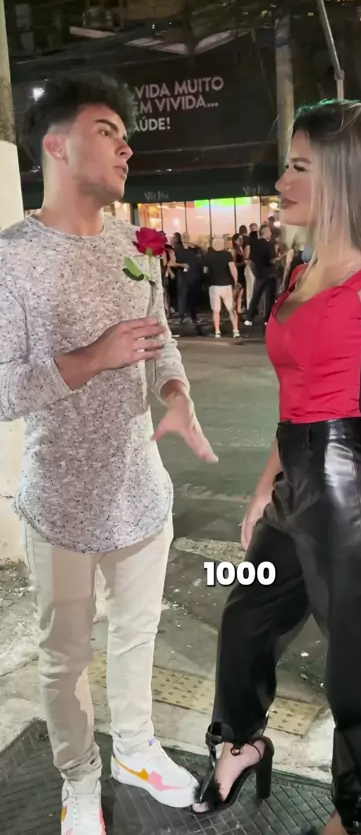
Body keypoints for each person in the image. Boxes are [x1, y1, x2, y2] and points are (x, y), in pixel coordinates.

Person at [192, 100, 361, 835]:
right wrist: (262, 492)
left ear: (343, 176)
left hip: (348, 498)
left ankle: (358, 812)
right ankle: (241, 743)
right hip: (293, 485)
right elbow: (296, 399)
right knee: (244, 620)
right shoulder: (301, 271)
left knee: (355, 669)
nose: (281, 181)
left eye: (299, 167)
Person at [1, 72, 218, 835]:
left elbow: (161, 346)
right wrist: (90, 358)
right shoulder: (12, 259)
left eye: (126, 136)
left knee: (137, 634)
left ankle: (134, 749)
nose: (126, 147)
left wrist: (176, 394)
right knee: (64, 657)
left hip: (142, 492)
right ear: (56, 146)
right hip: (60, 503)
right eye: (107, 132)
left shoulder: (137, 246)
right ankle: (79, 781)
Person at [204, 236, 240, 338]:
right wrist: (236, 282)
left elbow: (205, 271)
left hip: (213, 286)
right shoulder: (227, 255)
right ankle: (235, 330)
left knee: (216, 311)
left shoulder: (208, 256)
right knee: (231, 309)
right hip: (227, 285)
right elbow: (233, 269)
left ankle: (217, 331)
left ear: (213, 245)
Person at [244, 224, 278, 327]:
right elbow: (272, 260)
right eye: (269, 231)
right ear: (266, 232)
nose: (270, 233)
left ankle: (249, 319)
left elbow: (250, 260)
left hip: (259, 274)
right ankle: (267, 320)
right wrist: (280, 258)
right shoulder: (269, 244)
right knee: (269, 298)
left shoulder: (254, 244)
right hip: (270, 274)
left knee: (256, 296)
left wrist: (255, 272)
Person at [232, 232, 246, 314]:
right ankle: (232, 308)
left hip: (242, 271)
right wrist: (243, 263)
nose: (241, 240)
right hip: (238, 272)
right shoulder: (234, 250)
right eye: (239, 239)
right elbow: (234, 264)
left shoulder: (241, 248)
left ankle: (238, 309)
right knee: (237, 291)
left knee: (241, 292)